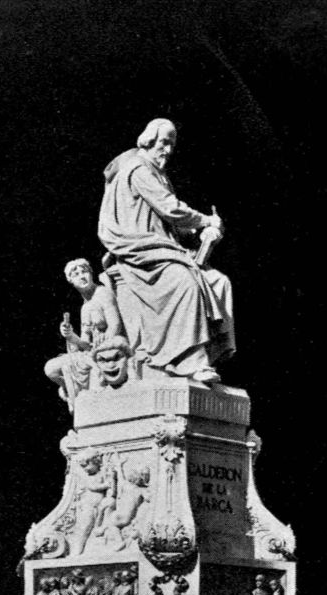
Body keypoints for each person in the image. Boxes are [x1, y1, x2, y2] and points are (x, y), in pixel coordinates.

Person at [98, 118, 235, 383]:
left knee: (219, 282)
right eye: (164, 142)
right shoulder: (138, 169)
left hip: (162, 246)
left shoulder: (157, 173)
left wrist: (199, 235)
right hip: (140, 249)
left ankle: (210, 355)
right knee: (185, 282)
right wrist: (205, 220)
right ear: (149, 140)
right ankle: (189, 361)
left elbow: (166, 223)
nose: (168, 150)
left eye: (172, 144)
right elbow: (169, 208)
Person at [44, 259, 124, 410]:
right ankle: (71, 389)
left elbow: (115, 326)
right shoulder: (85, 308)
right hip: (91, 353)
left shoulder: (103, 293)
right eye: (76, 274)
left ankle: (82, 394)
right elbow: (85, 344)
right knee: (51, 368)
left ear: (91, 273)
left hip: (109, 350)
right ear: (71, 281)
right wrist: (71, 336)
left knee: (93, 374)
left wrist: (100, 349)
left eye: (84, 272)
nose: (82, 276)